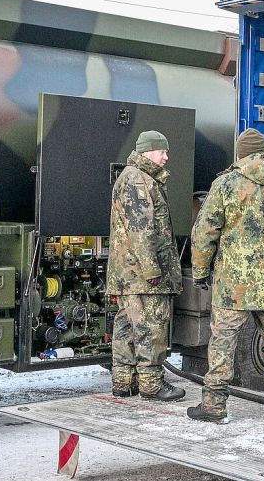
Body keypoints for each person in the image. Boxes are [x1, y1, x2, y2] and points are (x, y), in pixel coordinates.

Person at [187, 128, 264, 423]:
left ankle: (214, 406)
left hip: (233, 285)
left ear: (240, 154)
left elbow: (204, 232)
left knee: (222, 344)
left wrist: (201, 270)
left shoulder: (225, 184)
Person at [105, 130, 186, 402]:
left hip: (131, 275)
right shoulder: (138, 181)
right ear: (147, 152)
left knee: (128, 326)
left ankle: (123, 382)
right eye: (162, 151)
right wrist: (153, 270)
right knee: (151, 327)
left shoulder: (134, 178)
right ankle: (151, 385)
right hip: (142, 276)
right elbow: (141, 231)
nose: (166, 157)